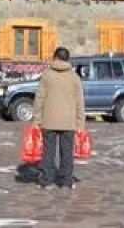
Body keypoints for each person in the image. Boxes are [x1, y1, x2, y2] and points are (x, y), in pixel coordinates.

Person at [32, 46, 85, 189]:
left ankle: (47, 179)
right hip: (69, 121)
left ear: (55, 57)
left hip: (49, 120)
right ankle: (66, 180)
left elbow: (39, 99)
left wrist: (36, 119)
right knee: (67, 152)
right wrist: (80, 124)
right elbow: (80, 102)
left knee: (48, 152)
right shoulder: (74, 77)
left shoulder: (47, 75)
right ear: (68, 59)